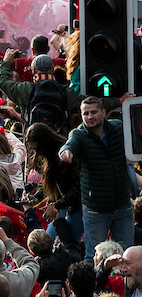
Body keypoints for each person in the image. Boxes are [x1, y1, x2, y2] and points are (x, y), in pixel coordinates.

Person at [60, 97, 135, 260]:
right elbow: (70, 143)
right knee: (93, 256)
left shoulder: (118, 127)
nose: (89, 117)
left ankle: (124, 286)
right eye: (85, 113)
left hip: (123, 206)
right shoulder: (79, 134)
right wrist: (65, 152)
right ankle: (94, 286)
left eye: (93, 112)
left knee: (127, 256)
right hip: (96, 210)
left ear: (103, 113)